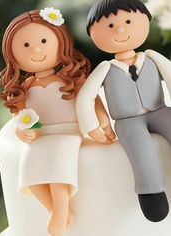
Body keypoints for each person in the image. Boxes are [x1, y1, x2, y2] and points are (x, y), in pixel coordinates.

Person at [0, 8, 115, 236]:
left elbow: (94, 100)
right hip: (42, 136)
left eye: (43, 40)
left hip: (70, 133)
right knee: (29, 169)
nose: (37, 49)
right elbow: (18, 118)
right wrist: (23, 132)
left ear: (61, 42)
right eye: (25, 46)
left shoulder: (71, 79)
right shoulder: (26, 88)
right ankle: (57, 211)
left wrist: (102, 120)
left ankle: (60, 211)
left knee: (59, 162)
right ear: (11, 54)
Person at [76, 0, 171, 223]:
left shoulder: (152, 57)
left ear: (146, 20)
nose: (120, 29)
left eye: (128, 21)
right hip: (128, 121)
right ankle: (152, 194)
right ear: (93, 33)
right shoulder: (105, 69)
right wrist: (91, 127)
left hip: (160, 109)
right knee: (141, 150)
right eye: (110, 26)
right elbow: (86, 97)